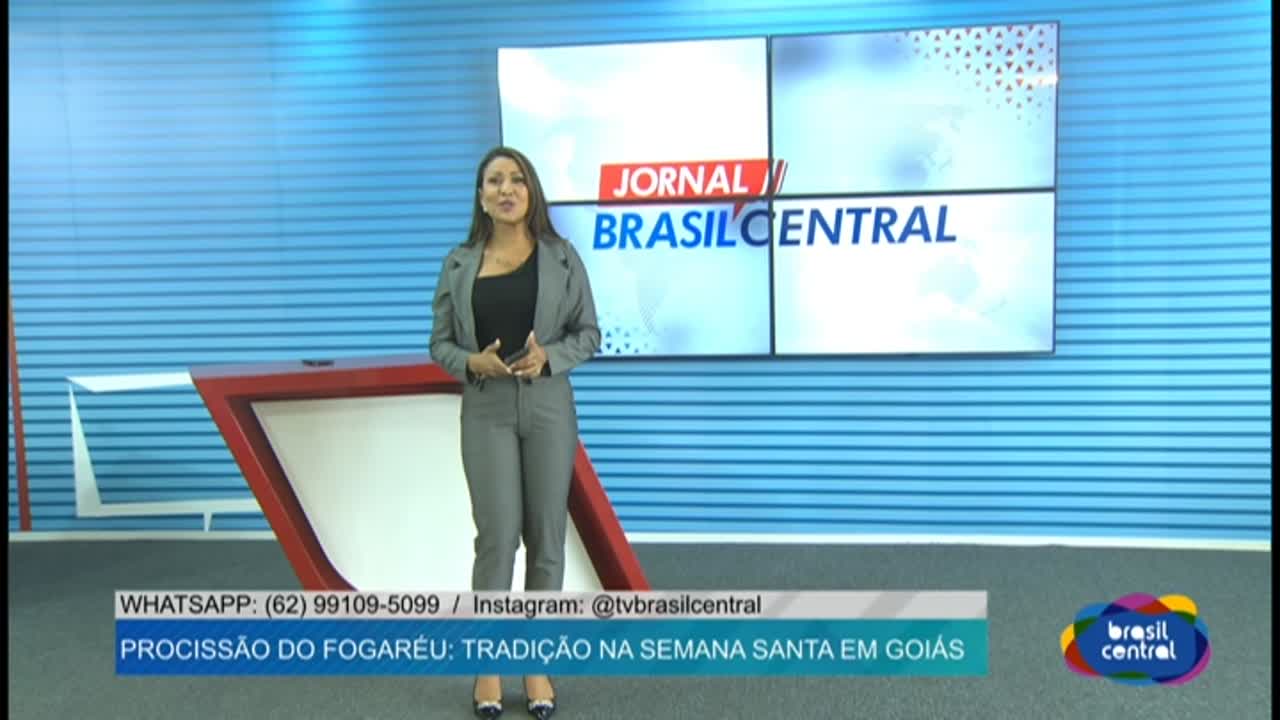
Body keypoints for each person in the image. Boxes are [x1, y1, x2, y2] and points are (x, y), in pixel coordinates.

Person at [430, 146, 600, 719]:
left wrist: (549, 356)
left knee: (546, 540)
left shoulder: (562, 257)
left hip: (549, 407)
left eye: (517, 180)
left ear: (531, 193)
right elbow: (439, 343)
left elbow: (589, 333)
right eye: (494, 181)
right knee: (498, 540)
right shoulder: (459, 264)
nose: (506, 190)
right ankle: (488, 666)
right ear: (481, 197)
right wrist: (470, 362)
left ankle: (536, 661)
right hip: (487, 410)